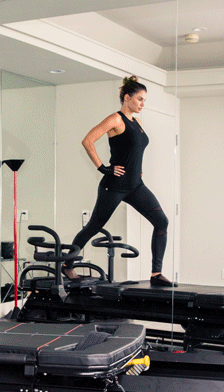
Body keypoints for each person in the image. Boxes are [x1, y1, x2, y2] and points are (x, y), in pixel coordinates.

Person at [63, 76, 175, 287]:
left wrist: (137, 171)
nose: (142, 104)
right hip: (114, 185)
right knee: (93, 226)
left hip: (135, 186)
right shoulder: (115, 119)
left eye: (144, 100)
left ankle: (156, 273)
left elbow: (134, 150)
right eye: (139, 99)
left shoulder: (137, 123)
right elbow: (88, 140)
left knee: (162, 222)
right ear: (127, 98)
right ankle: (67, 266)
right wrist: (103, 168)